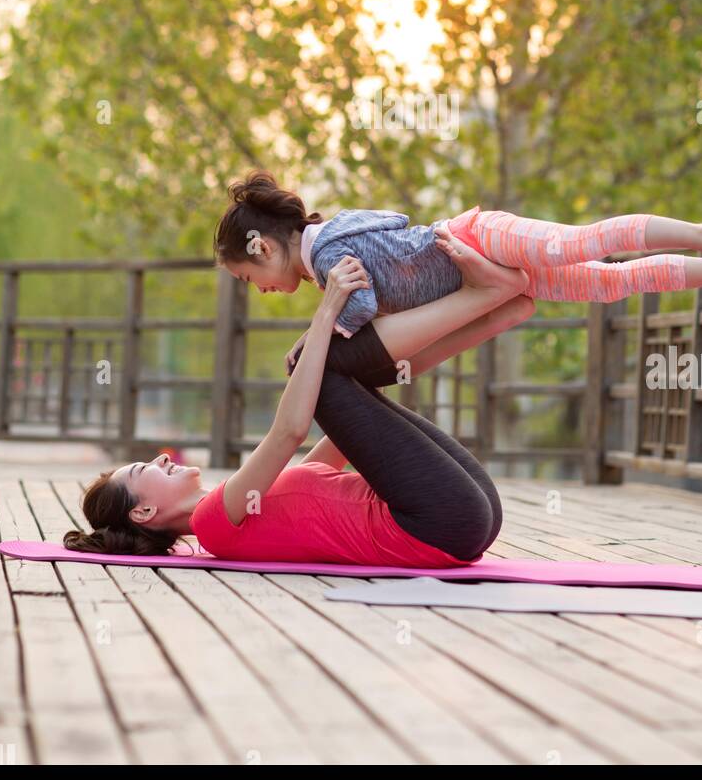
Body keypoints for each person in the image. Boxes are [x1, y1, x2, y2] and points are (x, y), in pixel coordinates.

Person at [63, 236, 533, 566]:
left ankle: (500, 311)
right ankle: (484, 298)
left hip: (467, 517)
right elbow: (289, 430)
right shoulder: (212, 524)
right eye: (146, 470)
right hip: (440, 523)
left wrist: (330, 348)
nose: (162, 457)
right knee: (319, 371)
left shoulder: (248, 499)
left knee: (340, 377)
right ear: (143, 513)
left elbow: (354, 416)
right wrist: (326, 313)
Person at [213, 171, 702, 376]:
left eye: (247, 277)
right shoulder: (327, 252)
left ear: (260, 246)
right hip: (478, 273)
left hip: (479, 238)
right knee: (607, 283)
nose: (258, 289)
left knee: (578, 242)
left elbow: (359, 310)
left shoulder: (327, 248)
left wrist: (314, 336)